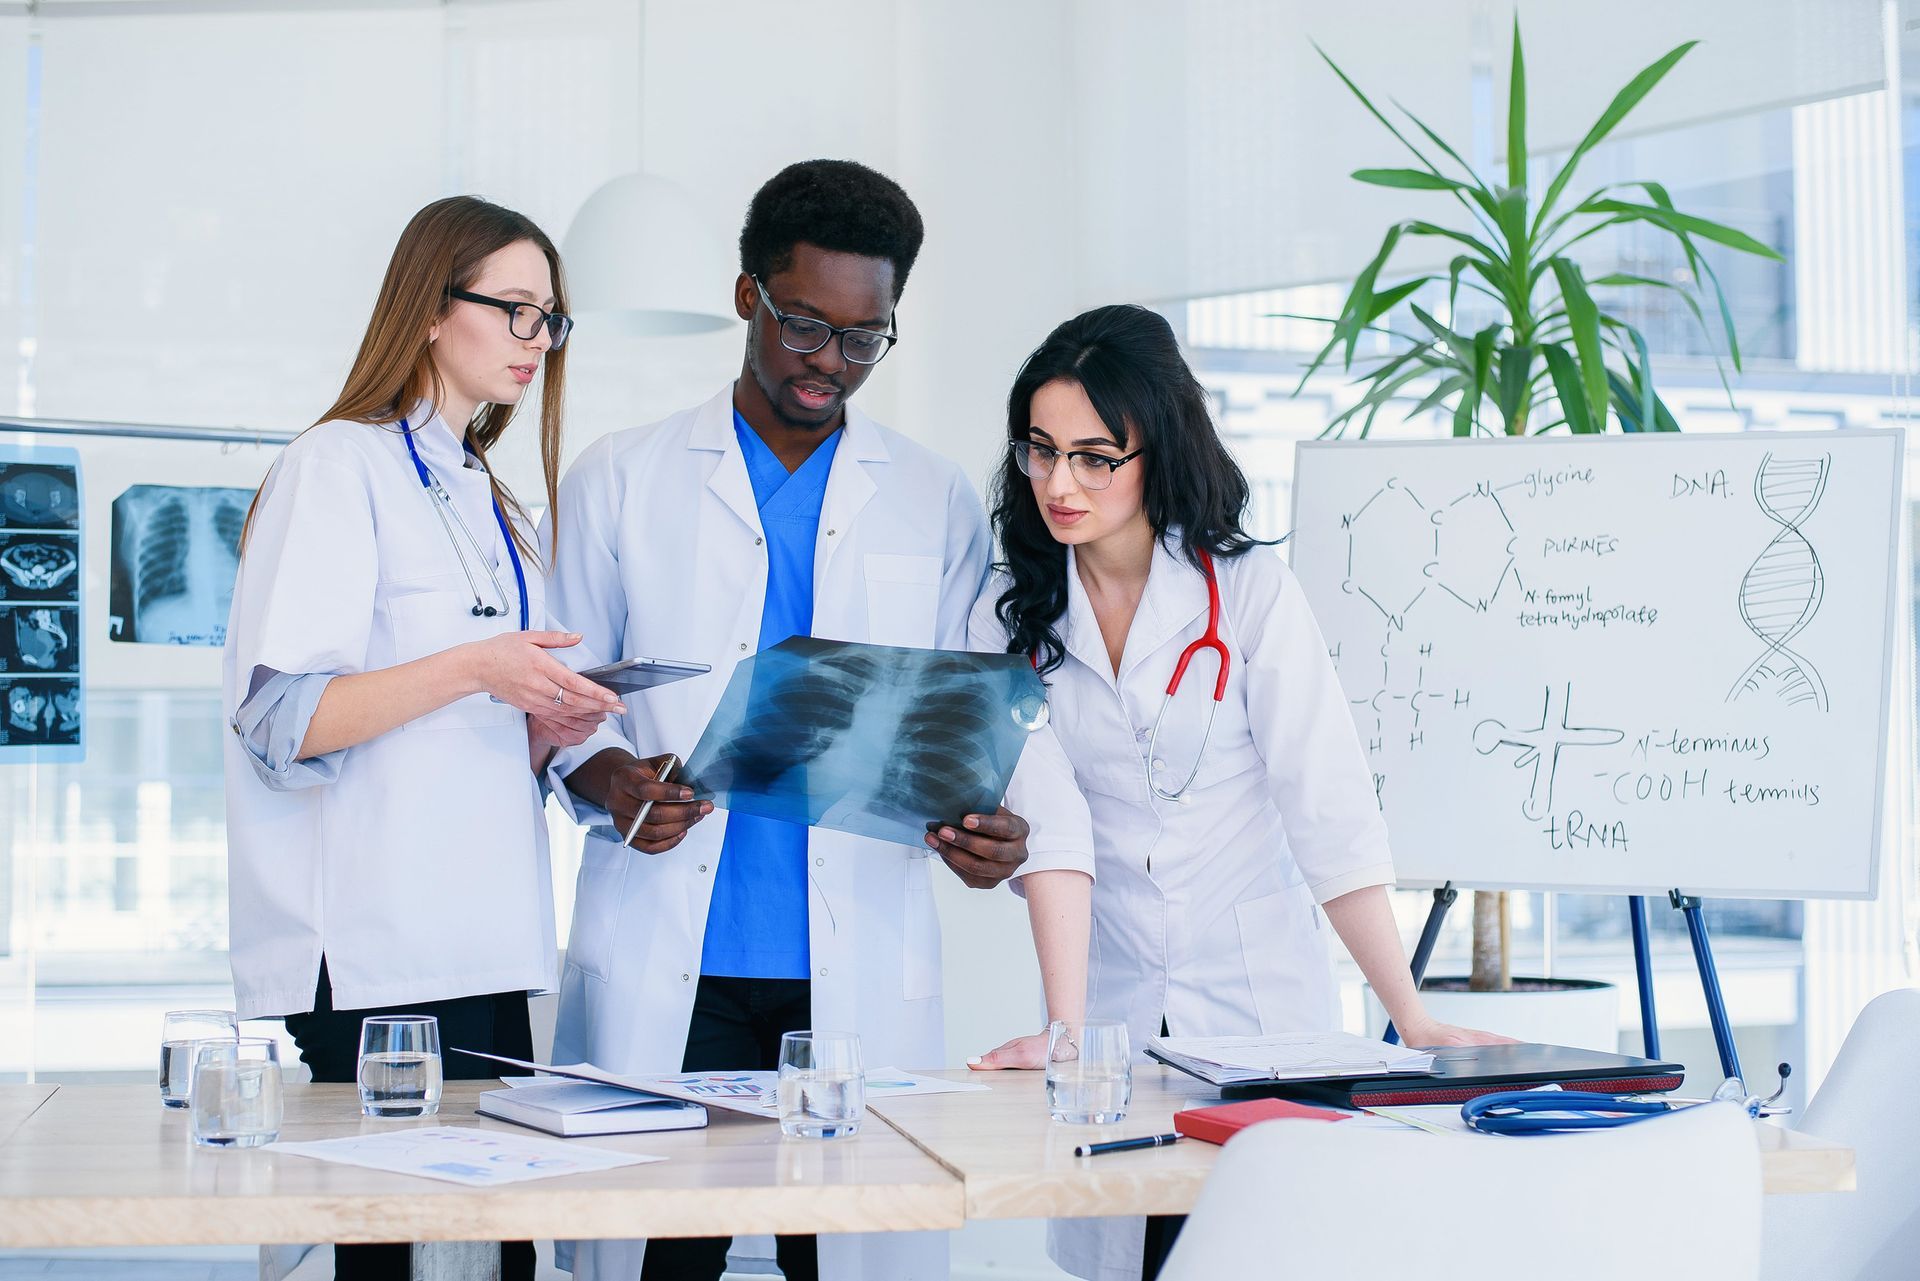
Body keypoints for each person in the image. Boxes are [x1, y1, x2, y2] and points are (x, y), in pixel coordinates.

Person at [542, 159, 1085, 1281]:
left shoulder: (932, 498)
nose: (828, 364)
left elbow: (974, 710)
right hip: (669, 961)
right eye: (802, 327)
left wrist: (988, 830)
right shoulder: (620, 478)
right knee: (652, 1261)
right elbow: (562, 710)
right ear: (748, 296)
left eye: (861, 338)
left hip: (851, 967)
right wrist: (613, 785)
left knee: (849, 1255)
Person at [970, 305, 1509, 1281]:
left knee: (1256, 1250)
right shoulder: (1014, 613)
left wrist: (1411, 1014)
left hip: (1263, 1011)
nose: (1060, 483)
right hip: (1116, 1010)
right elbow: (1054, 834)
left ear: (1157, 452)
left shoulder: (1250, 592)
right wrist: (1064, 1031)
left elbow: (1327, 809)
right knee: (1129, 1249)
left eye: (1097, 457)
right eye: (1040, 451)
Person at [223, 195, 623, 1281]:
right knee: (393, 1258)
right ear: (433, 308)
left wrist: (549, 723)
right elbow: (283, 720)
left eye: (553, 320)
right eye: (517, 311)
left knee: (501, 1261)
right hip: (367, 954)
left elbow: (471, 743)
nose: (538, 341)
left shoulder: (496, 504)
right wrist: (479, 669)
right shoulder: (337, 465)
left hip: (484, 939)